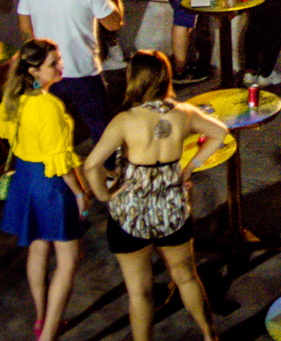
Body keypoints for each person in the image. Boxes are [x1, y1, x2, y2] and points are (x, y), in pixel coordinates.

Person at [82, 52, 227, 341]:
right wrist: (189, 169)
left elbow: (91, 164)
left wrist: (104, 194)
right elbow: (219, 133)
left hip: (130, 214)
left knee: (140, 292)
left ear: (133, 79)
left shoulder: (125, 121)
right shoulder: (184, 113)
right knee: (186, 276)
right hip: (171, 209)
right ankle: (210, 336)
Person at [0, 40, 87, 341]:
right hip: (51, 185)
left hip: (25, 178)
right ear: (34, 71)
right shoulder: (49, 106)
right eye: (53, 64)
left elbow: (5, 130)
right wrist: (81, 193)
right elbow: (59, 163)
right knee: (69, 258)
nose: (61, 66)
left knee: (38, 247)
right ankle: (48, 335)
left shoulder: (15, 98)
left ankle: (41, 318)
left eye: (59, 60)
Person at [16, 0, 124, 144]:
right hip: (83, 70)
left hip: (45, 72)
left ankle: (55, 170)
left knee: (49, 128)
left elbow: (25, 31)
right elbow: (114, 23)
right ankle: (110, 172)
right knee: (100, 127)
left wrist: (37, 67)